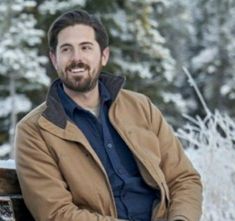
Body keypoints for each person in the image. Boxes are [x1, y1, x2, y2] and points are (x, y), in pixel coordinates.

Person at [15, 9, 202, 221]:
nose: (77, 58)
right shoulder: (35, 131)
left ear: (104, 56)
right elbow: (57, 214)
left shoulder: (141, 107)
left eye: (86, 48)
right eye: (66, 49)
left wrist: (181, 218)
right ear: (54, 59)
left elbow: (183, 178)